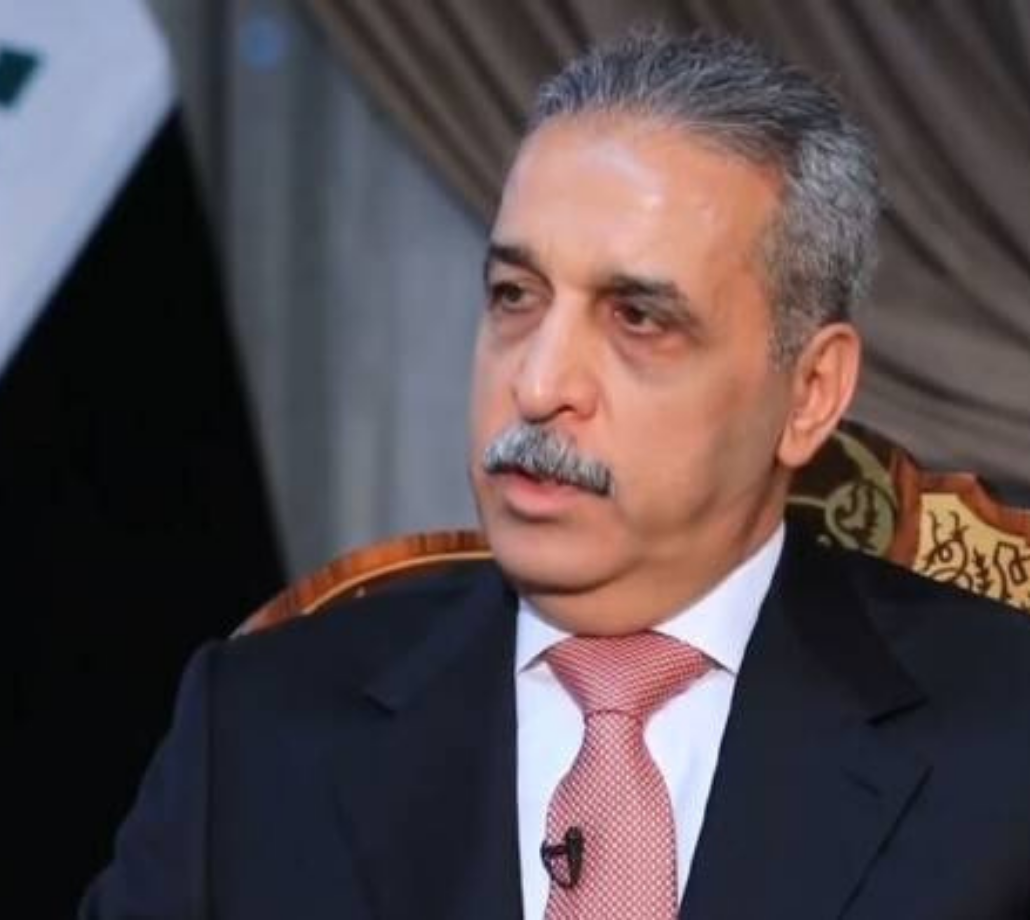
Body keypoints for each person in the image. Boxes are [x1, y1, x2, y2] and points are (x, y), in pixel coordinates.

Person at [79, 29, 1030, 920]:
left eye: (638, 320)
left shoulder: (1003, 743)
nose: (536, 385)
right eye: (514, 297)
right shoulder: (255, 732)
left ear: (811, 393)